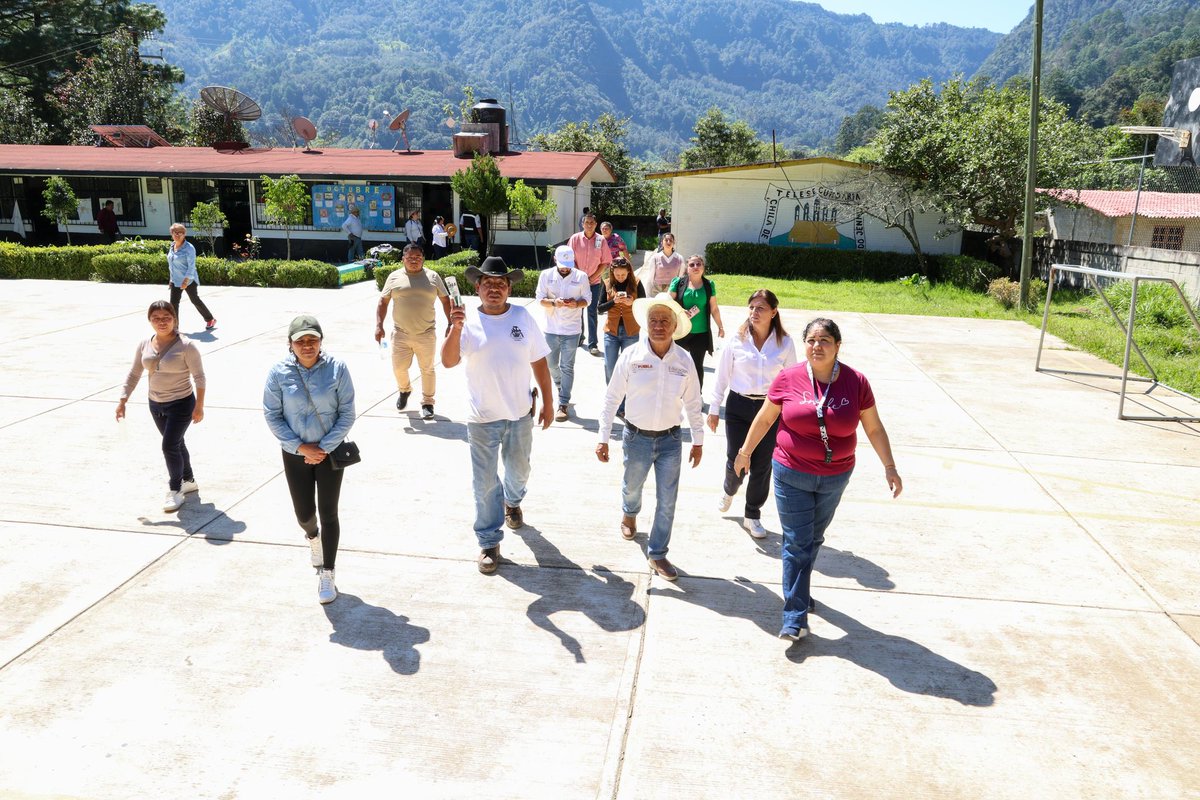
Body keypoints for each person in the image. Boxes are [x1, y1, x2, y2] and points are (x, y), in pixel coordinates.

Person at [736, 318, 902, 641]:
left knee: (813, 539)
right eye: (811, 340)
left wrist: (890, 466)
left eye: (825, 340)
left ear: (838, 346)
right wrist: (745, 452)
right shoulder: (788, 378)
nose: (817, 346)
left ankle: (799, 591)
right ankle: (794, 618)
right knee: (797, 541)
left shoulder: (856, 382)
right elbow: (766, 418)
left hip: (835, 477)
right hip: (791, 472)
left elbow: (873, 427)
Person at [441, 256, 555, 574]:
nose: (494, 288)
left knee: (519, 472)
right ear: (477, 287)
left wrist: (548, 402)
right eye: (488, 283)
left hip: (520, 414)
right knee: (484, 484)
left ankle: (513, 501)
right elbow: (448, 361)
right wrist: (455, 328)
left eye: (500, 283)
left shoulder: (522, 316)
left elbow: (539, 361)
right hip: (482, 418)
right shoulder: (466, 321)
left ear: (509, 289)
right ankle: (489, 542)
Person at [597, 293, 704, 581]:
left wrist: (698, 440)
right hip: (636, 438)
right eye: (654, 320)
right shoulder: (631, 356)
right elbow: (611, 397)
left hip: (671, 441)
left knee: (667, 500)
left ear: (674, 326)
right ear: (646, 324)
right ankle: (629, 513)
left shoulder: (684, 360)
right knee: (632, 487)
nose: (659, 325)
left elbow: (694, 402)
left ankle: (658, 553)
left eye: (665, 321)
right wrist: (603, 436)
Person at [263, 315, 357, 605]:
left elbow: (347, 413)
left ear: (320, 341)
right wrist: (301, 447)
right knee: (304, 514)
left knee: (329, 512)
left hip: (329, 454)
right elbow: (272, 414)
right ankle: (313, 537)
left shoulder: (337, 368)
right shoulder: (278, 372)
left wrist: (324, 448)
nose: (307, 346)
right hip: (295, 454)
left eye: (312, 340)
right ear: (290, 344)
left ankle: (328, 572)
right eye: (300, 341)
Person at [706, 290, 797, 539]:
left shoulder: (785, 343)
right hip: (738, 407)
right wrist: (714, 409)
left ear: (774, 312)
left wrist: (791, 415)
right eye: (752, 307)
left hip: (770, 409)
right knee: (736, 459)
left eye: (761, 308)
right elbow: (721, 376)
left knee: (762, 465)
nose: (754, 312)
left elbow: (792, 381)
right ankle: (729, 489)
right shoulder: (737, 339)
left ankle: (752, 514)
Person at [116, 300, 206, 513]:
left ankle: (175, 490)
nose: (162, 322)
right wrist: (123, 400)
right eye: (156, 318)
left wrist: (199, 407)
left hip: (182, 403)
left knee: (169, 446)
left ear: (175, 319)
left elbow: (199, 377)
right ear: (150, 320)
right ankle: (189, 480)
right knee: (176, 443)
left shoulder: (187, 346)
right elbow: (134, 373)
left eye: (166, 318)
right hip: (155, 403)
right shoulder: (144, 344)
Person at [375, 243, 451, 420]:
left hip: (426, 333)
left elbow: (446, 300)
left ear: (423, 259)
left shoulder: (433, 276)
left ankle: (428, 403)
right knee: (399, 368)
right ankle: (404, 390)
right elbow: (383, 302)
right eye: (410, 258)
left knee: (427, 369)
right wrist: (379, 325)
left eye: (417, 257)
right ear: (403, 259)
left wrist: (450, 323)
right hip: (400, 334)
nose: (414, 261)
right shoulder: (394, 277)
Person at [536, 244, 591, 422]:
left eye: (568, 265)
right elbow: (539, 299)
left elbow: (588, 299)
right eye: (562, 265)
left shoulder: (581, 276)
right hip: (551, 328)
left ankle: (563, 403)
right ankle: (560, 386)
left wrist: (577, 304)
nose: (566, 269)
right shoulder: (546, 275)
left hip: (572, 329)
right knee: (551, 364)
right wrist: (554, 303)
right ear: (555, 260)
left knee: (567, 366)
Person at [597, 256, 646, 417]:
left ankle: (625, 405)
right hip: (611, 331)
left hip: (631, 332)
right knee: (610, 367)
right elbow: (599, 308)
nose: (620, 278)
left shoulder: (636, 283)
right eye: (617, 275)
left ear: (629, 272)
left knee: (629, 369)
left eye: (623, 275)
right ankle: (613, 401)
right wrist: (614, 302)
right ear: (612, 273)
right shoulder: (607, 284)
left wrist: (632, 302)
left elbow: (645, 306)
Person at [669, 253, 725, 388]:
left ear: (703, 267)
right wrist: (680, 311)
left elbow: (714, 308)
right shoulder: (678, 283)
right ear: (687, 268)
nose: (695, 267)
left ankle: (697, 394)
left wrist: (720, 326)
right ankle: (676, 392)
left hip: (701, 333)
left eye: (698, 264)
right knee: (677, 366)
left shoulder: (709, 285)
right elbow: (668, 302)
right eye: (692, 264)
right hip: (680, 332)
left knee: (697, 366)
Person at [569, 212, 613, 356]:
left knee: (592, 311)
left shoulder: (601, 240)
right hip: (577, 282)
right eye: (586, 222)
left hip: (594, 282)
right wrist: (580, 277)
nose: (589, 225)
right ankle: (579, 337)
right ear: (582, 224)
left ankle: (593, 343)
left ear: (595, 224)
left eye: (592, 223)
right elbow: (570, 259)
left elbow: (605, 262)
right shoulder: (575, 239)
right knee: (578, 310)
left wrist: (592, 277)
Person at [167, 223, 216, 331]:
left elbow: (191, 266)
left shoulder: (189, 248)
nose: (177, 235)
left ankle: (210, 319)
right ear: (171, 234)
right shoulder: (172, 246)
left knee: (194, 300)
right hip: (176, 280)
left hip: (189, 280)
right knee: (173, 304)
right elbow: (171, 265)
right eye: (175, 233)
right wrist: (171, 279)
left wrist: (186, 281)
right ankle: (175, 328)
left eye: (180, 233)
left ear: (184, 234)